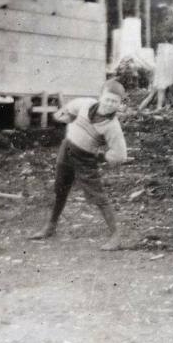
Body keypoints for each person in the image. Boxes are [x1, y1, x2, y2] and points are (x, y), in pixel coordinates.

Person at [28, 80, 129, 250]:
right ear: (100, 97)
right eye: (107, 99)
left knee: (98, 196)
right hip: (66, 149)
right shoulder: (85, 104)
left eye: (115, 101)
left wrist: (101, 157)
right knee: (60, 189)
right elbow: (67, 111)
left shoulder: (112, 127)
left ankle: (116, 236)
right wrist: (66, 117)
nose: (110, 104)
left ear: (120, 104)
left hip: (86, 159)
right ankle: (50, 227)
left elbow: (120, 154)